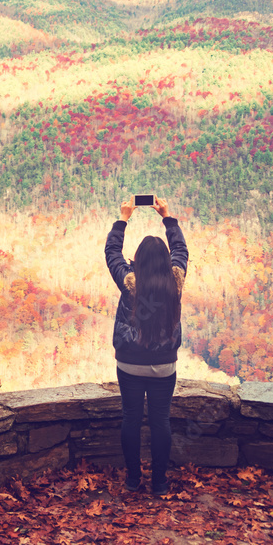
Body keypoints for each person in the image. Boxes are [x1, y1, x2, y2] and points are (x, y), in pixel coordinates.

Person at [104, 195, 189, 495]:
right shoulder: (174, 282)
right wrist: (167, 217)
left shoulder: (129, 283)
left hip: (129, 363)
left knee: (130, 417)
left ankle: (132, 479)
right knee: (160, 421)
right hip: (164, 366)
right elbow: (181, 250)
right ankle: (160, 482)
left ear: (138, 260)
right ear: (166, 263)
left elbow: (112, 252)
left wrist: (123, 218)